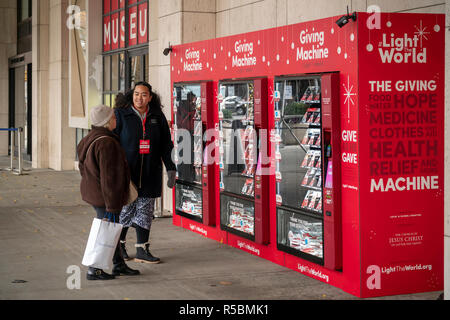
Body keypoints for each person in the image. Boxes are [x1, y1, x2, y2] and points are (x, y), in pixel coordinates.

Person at [114, 81, 176, 264]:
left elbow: (166, 144)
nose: (139, 98)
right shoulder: (121, 115)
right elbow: (113, 143)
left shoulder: (157, 116)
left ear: (150, 97)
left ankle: (142, 249)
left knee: (145, 211)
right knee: (126, 211)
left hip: (150, 172)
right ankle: (120, 246)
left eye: (143, 95)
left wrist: (171, 167)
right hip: (127, 173)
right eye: (136, 94)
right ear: (131, 95)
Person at [77, 105, 140, 280]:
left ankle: (118, 265)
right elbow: (109, 177)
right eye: (113, 117)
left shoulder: (88, 138)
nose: (116, 120)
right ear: (106, 122)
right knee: (104, 231)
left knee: (111, 231)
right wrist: (112, 206)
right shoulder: (107, 142)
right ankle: (94, 269)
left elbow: (82, 168)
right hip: (105, 198)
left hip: (95, 194)